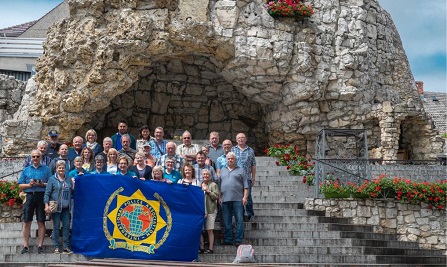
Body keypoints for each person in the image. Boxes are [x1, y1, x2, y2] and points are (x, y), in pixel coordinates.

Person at [18, 150, 52, 254]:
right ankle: (25, 245)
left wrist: (42, 184)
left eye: (37, 156)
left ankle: (40, 245)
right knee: (26, 221)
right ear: (30, 158)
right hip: (29, 195)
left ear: (41, 158)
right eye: (33, 156)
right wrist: (29, 185)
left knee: (41, 221)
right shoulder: (26, 170)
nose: (35, 158)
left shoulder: (46, 169)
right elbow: (20, 185)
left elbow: (51, 183)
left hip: (41, 195)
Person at [44, 160, 74, 254]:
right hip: (56, 207)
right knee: (56, 227)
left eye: (63, 168)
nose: (61, 169)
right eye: (59, 168)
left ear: (65, 169)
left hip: (66, 207)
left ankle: (65, 247)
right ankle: (56, 247)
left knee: (66, 227)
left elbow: (72, 192)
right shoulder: (52, 179)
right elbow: (47, 193)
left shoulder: (69, 179)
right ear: (56, 169)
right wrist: (46, 205)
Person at [218, 152, 248, 247]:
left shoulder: (241, 170)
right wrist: (219, 197)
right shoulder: (222, 170)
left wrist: (245, 197)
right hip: (225, 199)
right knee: (227, 221)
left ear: (235, 160)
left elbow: (246, 186)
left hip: (238, 199)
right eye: (228, 159)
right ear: (226, 160)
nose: (230, 160)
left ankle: (238, 239)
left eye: (232, 159)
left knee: (239, 220)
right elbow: (219, 186)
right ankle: (228, 239)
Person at [231, 133, 256, 222]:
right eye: (239, 138)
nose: (241, 139)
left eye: (242, 138)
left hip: (247, 177)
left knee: (248, 196)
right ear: (236, 140)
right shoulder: (233, 149)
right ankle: (239, 214)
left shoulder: (250, 150)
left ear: (245, 139)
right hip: (236, 178)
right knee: (237, 196)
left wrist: (253, 177)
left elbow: (253, 165)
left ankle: (250, 214)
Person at [200, 169, 218, 254]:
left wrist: (208, 191)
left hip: (210, 210)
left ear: (210, 176)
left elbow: (215, 196)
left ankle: (211, 248)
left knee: (209, 230)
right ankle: (202, 246)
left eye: (207, 174)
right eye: (204, 174)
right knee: (200, 229)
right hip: (201, 210)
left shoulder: (213, 184)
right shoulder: (199, 184)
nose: (205, 176)